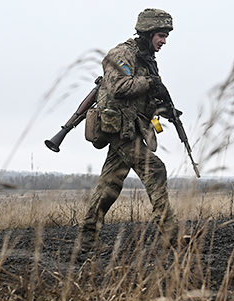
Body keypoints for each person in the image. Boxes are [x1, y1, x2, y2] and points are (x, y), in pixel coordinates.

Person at [79, 8, 181, 252]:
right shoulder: (124, 53)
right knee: (155, 169)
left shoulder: (146, 59)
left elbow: (140, 99)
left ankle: (86, 240)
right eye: (160, 35)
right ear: (147, 32)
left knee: (109, 185)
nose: (164, 41)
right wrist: (151, 83)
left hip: (131, 128)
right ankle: (172, 235)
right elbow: (118, 87)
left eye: (166, 35)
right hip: (118, 128)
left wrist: (164, 110)